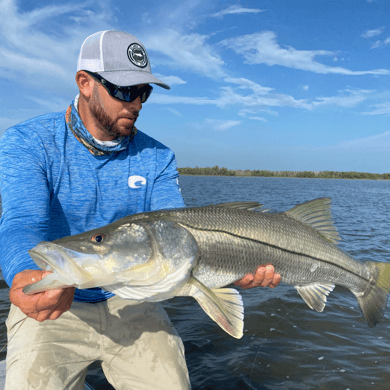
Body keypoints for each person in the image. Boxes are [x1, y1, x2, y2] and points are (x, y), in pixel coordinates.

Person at [0, 30, 281, 390]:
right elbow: (22, 222)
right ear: (85, 83)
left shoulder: (158, 157)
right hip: (54, 300)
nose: (136, 103)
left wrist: (229, 265)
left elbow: (177, 232)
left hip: (133, 297)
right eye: (124, 90)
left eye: (143, 92)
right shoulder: (28, 142)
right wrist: (23, 272)